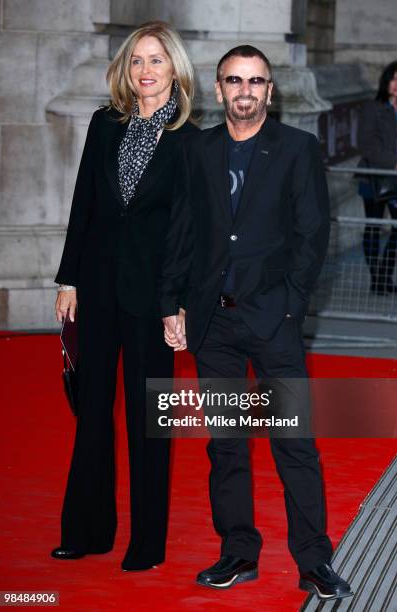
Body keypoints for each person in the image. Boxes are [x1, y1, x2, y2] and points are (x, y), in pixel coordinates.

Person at [160, 45, 353, 600]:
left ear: (270, 91)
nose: (245, 90)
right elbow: (182, 232)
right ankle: (238, 553)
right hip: (213, 326)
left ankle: (314, 561)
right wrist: (171, 304)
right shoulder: (197, 150)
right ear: (218, 90)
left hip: (275, 323)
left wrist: (290, 306)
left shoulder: (297, 149)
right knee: (226, 445)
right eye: (234, 80)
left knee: (294, 443)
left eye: (256, 81)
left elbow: (312, 235)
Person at [51, 20, 197, 571]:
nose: (144, 71)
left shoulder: (190, 140)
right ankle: (86, 530)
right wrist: (69, 279)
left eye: (156, 60)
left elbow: (187, 229)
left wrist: (175, 301)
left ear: (174, 68)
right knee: (91, 410)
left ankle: (146, 542)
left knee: (147, 418)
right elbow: (83, 204)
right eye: (136, 60)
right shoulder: (103, 124)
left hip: (152, 296)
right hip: (97, 286)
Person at [357, 61, 397, 295]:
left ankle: (383, 275)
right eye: (393, 79)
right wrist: (392, 163)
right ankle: (377, 279)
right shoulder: (373, 108)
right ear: (386, 82)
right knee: (372, 227)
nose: (396, 85)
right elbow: (366, 144)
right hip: (374, 177)